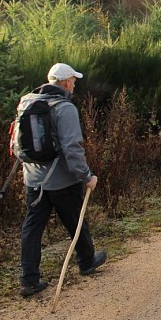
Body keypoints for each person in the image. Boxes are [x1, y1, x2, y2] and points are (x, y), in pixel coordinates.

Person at [18, 63, 107, 297]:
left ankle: (29, 281)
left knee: (32, 228)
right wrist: (86, 176)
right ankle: (87, 262)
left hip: (34, 180)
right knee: (76, 220)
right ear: (66, 82)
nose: (74, 85)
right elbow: (72, 148)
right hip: (61, 181)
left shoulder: (26, 101)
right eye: (74, 81)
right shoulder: (65, 107)